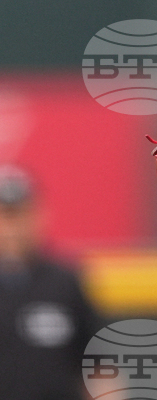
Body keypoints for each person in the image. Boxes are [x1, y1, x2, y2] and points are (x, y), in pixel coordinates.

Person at [0, 166, 102, 400]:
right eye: (5, 216)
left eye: (20, 214)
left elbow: (97, 367)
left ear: (39, 216)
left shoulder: (65, 283)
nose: (11, 228)